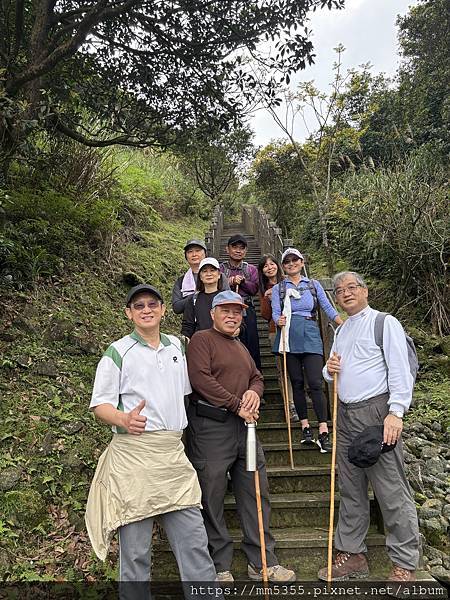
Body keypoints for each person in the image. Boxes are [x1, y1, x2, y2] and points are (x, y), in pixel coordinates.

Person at [85, 284, 218, 591]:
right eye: (139, 306)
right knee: (135, 554)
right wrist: (123, 418)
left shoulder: (176, 347)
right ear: (129, 313)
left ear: (161, 309)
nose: (146, 310)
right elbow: (99, 405)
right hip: (133, 458)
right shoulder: (117, 351)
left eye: (152, 304)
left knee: (195, 544)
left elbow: (186, 392)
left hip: (172, 455)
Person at [186, 290, 296, 584]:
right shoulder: (201, 340)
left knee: (256, 491)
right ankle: (219, 565)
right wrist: (237, 405)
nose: (232, 316)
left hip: (244, 428)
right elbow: (200, 379)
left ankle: (263, 561)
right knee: (211, 495)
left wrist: (253, 393)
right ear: (213, 313)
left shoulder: (241, 346)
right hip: (211, 428)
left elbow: (257, 377)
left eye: (237, 311)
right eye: (226, 310)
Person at [317, 271, 420, 582]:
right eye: (339, 290)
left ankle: (404, 561)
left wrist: (396, 412)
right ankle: (353, 554)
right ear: (335, 298)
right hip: (346, 415)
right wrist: (327, 369)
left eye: (352, 288)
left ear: (364, 290)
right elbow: (331, 372)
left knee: (390, 488)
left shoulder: (384, 322)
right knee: (351, 487)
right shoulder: (342, 330)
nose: (346, 293)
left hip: (377, 413)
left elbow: (400, 369)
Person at [271, 248, 343, 453]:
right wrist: (278, 320)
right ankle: (305, 427)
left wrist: (343, 325)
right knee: (297, 382)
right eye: (287, 261)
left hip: (310, 332)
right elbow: (276, 312)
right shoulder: (279, 289)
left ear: (302, 262)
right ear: (283, 267)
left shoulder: (313, 285)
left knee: (315, 382)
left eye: (295, 260)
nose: (291, 264)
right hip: (289, 335)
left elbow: (328, 308)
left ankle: (322, 429)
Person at [258, 253, 299, 422]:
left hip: (296, 329)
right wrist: (268, 299)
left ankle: (300, 399)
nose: (269, 267)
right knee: (283, 369)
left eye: (272, 264)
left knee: (298, 367)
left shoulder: (290, 282)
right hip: (276, 331)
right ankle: (289, 405)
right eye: (265, 266)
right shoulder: (264, 289)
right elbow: (265, 315)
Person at [220, 234, 261, 370]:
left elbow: (254, 289)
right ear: (227, 249)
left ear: (246, 251)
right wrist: (229, 281)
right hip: (225, 310)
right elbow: (217, 286)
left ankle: (255, 380)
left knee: (251, 346)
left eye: (242, 248)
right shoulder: (220, 269)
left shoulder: (251, 269)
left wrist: (242, 282)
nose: (238, 250)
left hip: (247, 308)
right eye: (235, 247)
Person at [172, 239, 228, 315]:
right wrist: (195, 296)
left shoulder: (219, 276)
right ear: (186, 256)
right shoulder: (181, 281)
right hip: (191, 322)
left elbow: (228, 299)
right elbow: (177, 308)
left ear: (205, 253)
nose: (194, 254)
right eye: (190, 252)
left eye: (197, 251)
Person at [181, 257, 223, 339]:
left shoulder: (226, 297)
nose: (209, 274)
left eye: (212, 270)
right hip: (201, 344)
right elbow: (188, 326)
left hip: (223, 343)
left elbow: (240, 324)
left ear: (219, 275)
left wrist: (238, 330)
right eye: (204, 271)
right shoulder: (193, 300)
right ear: (200, 276)